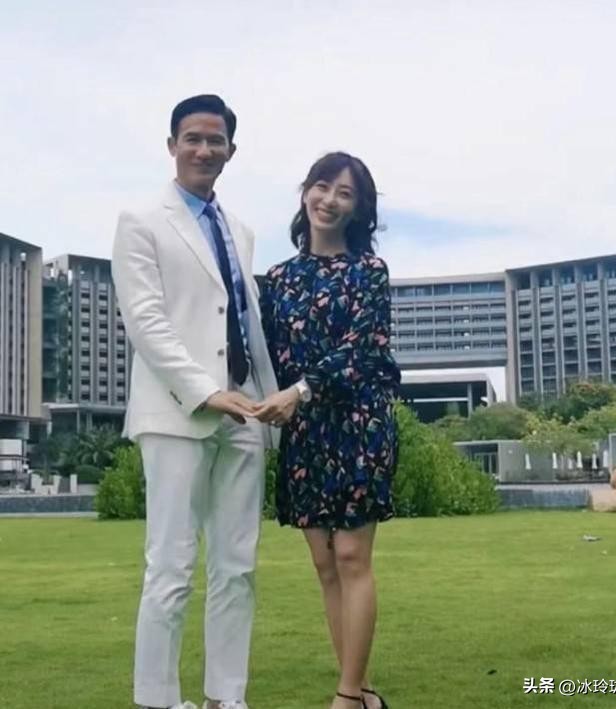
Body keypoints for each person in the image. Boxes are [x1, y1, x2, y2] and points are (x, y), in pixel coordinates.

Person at [112, 94, 279, 709]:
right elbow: (147, 321)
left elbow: (243, 321)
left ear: (231, 150)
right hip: (177, 412)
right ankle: (157, 701)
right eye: (193, 138)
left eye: (216, 140)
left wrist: (264, 401)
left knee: (237, 566)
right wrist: (206, 391)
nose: (205, 149)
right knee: (171, 567)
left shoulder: (240, 231)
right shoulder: (140, 220)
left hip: (246, 411)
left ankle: (226, 698)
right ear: (172, 145)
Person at [257, 152, 400, 709]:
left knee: (351, 558)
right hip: (306, 430)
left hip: (359, 424)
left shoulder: (369, 272)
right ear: (305, 192)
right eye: (323, 186)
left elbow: (362, 349)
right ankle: (362, 693)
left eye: (345, 193)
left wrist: (299, 391)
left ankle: (345, 696)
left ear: (358, 209)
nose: (330, 200)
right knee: (324, 565)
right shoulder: (278, 280)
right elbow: (266, 353)